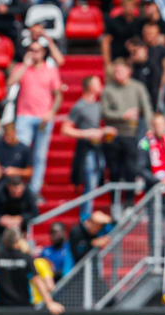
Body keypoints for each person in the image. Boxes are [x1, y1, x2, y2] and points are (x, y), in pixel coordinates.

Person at [8, 40, 62, 196]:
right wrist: (25, 65)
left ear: (43, 52)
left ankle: (34, 190)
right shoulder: (21, 68)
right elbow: (11, 82)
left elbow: (58, 95)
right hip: (24, 116)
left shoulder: (51, 71)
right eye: (31, 49)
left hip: (43, 117)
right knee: (21, 153)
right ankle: (18, 186)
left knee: (39, 155)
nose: (34, 53)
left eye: (37, 50)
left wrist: (51, 112)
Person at [0, 227, 64, 314]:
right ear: (19, 241)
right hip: (25, 308)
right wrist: (49, 303)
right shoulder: (26, 258)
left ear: (4, 240)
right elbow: (37, 280)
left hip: (2, 307)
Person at [61, 75, 115, 219]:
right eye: (98, 84)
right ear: (91, 87)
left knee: (96, 180)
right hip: (86, 149)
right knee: (90, 182)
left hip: (98, 148)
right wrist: (85, 133)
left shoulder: (99, 105)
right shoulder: (80, 106)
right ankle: (85, 217)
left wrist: (104, 131)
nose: (101, 87)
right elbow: (65, 129)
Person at [102, 59, 153, 190]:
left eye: (120, 71)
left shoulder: (138, 87)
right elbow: (104, 112)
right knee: (114, 170)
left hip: (132, 134)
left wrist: (149, 127)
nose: (117, 74)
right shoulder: (108, 89)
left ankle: (129, 203)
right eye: (115, 71)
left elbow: (147, 109)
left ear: (129, 71)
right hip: (113, 134)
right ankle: (114, 202)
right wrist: (122, 115)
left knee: (131, 169)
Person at [137, 113, 165, 188]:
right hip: (153, 188)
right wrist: (159, 180)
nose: (159, 127)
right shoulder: (145, 143)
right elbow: (141, 168)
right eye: (156, 124)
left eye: (161, 124)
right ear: (153, 126)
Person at [101, 0, 139, 74]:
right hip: (118, 60)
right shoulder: (114, 22)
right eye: (126, 5)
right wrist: (108, 63)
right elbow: (105, 42)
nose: (129, 8)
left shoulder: (139, 23)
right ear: (122, 7)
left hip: (135, 60)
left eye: (131, 5)